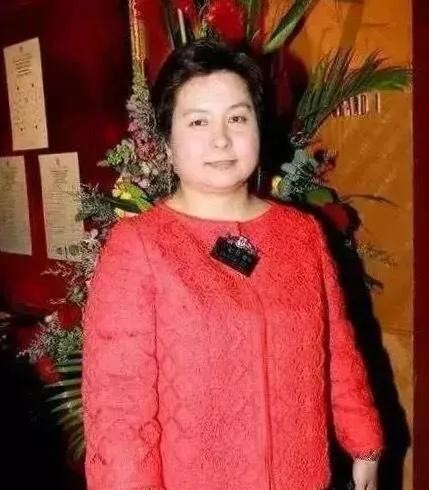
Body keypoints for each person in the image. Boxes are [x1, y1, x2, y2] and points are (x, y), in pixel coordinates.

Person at [82, 39, 383, 490]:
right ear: (167, 143)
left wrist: (365, 444)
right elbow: (119, 409)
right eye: (198, 121)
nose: (221, 139)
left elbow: (337, 348)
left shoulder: (302, 234)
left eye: (237, 118)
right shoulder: (140, 246)